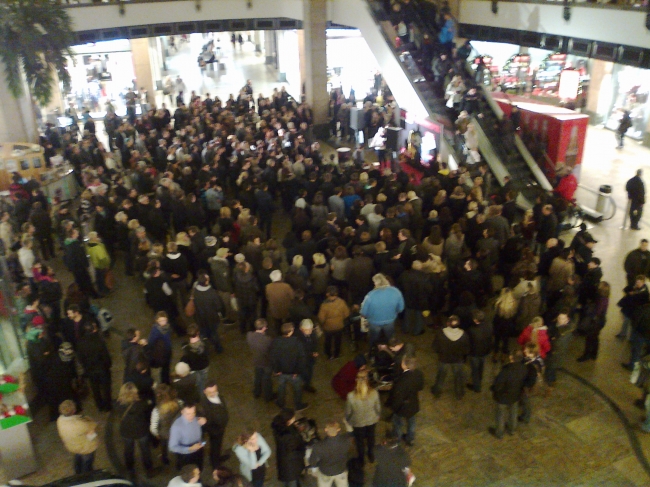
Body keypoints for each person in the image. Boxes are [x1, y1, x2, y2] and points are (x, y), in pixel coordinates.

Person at [489, 350, 533, 439]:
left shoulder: (505, 371)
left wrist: (493, 388)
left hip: (502, 397)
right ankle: (512, 430)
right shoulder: (524, 368)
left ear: (511, 358)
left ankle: (499, 433)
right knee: (513, 413)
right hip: (516, 395)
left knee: (500, 415)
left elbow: (497, 386)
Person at [117, 382, 154, 478]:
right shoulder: (141, 404)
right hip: (141, 431)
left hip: (126, 431)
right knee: (145, 451)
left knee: (128, 450)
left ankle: (130, 468)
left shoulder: (118, 404)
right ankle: (148, 469)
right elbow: (148, 406)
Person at [345, 369, 380, 464]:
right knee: (371, 437)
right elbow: (378, 408)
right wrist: (377, 416)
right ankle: (371, 454)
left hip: (358, 422)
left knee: (359, 441)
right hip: (371, 420)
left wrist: (348, 419)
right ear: (367, 379)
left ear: (356, 380)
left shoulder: (351, 396)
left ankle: (361, 458)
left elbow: (348, 411)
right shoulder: (374, 393)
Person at [270, 322, 308, 411]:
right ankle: (298, 405)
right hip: (293, 373)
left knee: (281, 388)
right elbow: (302, 359)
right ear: (290, 331)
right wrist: (297, 371)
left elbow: (273, 357)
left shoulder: (276, 342)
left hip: (281, 372)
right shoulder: (297, 343)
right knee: (297, 389)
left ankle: (280, 402)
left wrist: (276, 370)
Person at [76, 321, 112, 411]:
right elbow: (106, 357)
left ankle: (99, 405)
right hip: (102, 369)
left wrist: (85, 367)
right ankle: (107, 406)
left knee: (95, 389)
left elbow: (80, 358)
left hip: (90, 370)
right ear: (93, 330)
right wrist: (108, 365)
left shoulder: (80, 343)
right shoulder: (99, 341)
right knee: (106, 388)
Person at [431, 315, 470, 400]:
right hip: (458, 360)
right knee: (458, 377)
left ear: (448, 323)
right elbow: (466, 350)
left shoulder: (441, 333)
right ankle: (459, 394)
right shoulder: (464, 335)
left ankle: (437, 391)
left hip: (443, 359)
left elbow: (435, 347)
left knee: (441, 376)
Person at [360, 273, 405, 346]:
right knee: (391, 338)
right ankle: (391, 350)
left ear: (375, 283)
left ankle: (373, 351)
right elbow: (401, 308)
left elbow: (364, 312)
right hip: (390, 320)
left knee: (373, 339)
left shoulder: (370, 295)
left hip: (374, 322)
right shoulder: (396, 292)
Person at [388, 355, 424, 446]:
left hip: (402, 406)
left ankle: (397, 438)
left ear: (404, 365)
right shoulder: (419, 373)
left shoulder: (402, 380)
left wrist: (393, 407)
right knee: (411, 421)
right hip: (413, 403)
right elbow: (420, 387)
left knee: (397, 423)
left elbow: (398, 397)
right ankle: (410, 438)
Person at [56, 400, 99, 474]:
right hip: (86, 448)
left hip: (72, 445)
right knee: (87, 464)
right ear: (73, 411)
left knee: (78, 459)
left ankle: (78, 473)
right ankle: (87, 477)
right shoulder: (79, 424)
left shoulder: (59, 420)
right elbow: (92, 430)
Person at [309, 420, 352, 487]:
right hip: (341, 469)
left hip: (326, 471)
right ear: (338, 429)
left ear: (326, 430)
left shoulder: (318, 446)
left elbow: (312, 461)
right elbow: (350, 434)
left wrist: (314, 470)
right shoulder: (346, 441)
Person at [199, 380, 230, 468]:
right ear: (205, 391)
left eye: (214, 391)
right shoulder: (204, 405)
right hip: (214, 430)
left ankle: (217, 458)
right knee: (214, 447)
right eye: (210, 392)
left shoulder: (218, 395)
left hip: (221, 428)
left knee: (218, 445)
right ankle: (215, 464)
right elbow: (205, 421)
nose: (213, 394)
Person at [192, 270, 225, 353]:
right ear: (206, 282)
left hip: (200, 317)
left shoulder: (195, 292)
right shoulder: (212, 293)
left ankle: (204, 349)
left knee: (203, 333)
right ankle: (218, 348)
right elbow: (218, 306)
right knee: (214, 333)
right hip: (212, 317)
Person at [271, 408, 305, 487]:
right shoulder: (292, 435)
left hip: (282, 461)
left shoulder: (277, 428)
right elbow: (297, 450)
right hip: (291, 466)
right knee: (292, 482)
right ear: (289, 420)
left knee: (285, 481)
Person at [578, 281, 610, 361]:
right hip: (600, 321)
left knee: (589, 338)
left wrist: (590, 314)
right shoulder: (605, 298)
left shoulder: (601, 299)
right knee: (595, 338)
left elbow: (597, 312)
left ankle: (586, 355)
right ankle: (594, 354)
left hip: (596, 322)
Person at [169, 402, 207, 470]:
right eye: (188, 414)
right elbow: (172, 447)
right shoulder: (176, 427)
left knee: (199, 468)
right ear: (182, 412)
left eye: (193, 413)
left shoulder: (196, 418)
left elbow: (198, 419)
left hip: (198, 449)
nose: (191, 416)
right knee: (188, 473)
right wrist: (189, 449)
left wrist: (202, 419)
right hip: (186, 454)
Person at [151, 384, 181, 466]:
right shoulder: (178, 403)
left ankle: (165, 459)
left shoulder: (157, 410)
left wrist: (156, 434)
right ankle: (178, 460)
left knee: (164, 447)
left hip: (164, 434)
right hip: (177, 431)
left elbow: (153, 427)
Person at [318, 286, 351, 360]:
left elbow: (321, 318)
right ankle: (336, 354)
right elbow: (347, 314)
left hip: (328, 327)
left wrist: (322, 324)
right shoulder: (341, 302)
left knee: (328, 341)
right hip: (339, 326)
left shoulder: (324, 305)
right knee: (338, 341)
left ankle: (328, 354)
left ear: (327, 294)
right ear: (336, 293)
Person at [247, 318, 274, 401]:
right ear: (263, 328)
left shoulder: (249, 335)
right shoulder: (267, 339)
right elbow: (270, 351)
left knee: (258, 377)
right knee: (267, 380)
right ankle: (268, 396)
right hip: (266, 363)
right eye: (265, 327)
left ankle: (257, 392)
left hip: (256, 361)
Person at [466, 309, 493, 393]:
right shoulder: (489, 325)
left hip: (475, 353)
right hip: (485, 351)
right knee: (481, 367)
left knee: (474, 370)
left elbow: (468, 342)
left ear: (475, 320)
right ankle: (480, 379)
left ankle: (476, 387)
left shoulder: (472, 330)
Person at [148, 311, 173, 384]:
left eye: (164, 320)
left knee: (167, 368)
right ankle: (165, 382)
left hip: (168, 350)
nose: (163, 322)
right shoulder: (155, 330)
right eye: (161, 321)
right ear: (157, 321)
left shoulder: (167, 327)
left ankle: (166, 381)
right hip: (162, 352)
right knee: (164, 369)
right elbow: (151, 342)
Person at [296, 319, 318, 393]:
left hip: (311, 359)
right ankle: (304, 383)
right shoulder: (297, 337)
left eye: (311, 329)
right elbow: (300, 350)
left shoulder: (313, 333)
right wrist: (311, 353)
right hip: (302, 359)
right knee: (304, 373)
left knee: (310, 372)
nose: (310, 331)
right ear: (301, 329)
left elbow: (315, 342)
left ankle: (307, 384)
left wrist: (315, 351)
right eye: (307, 330)